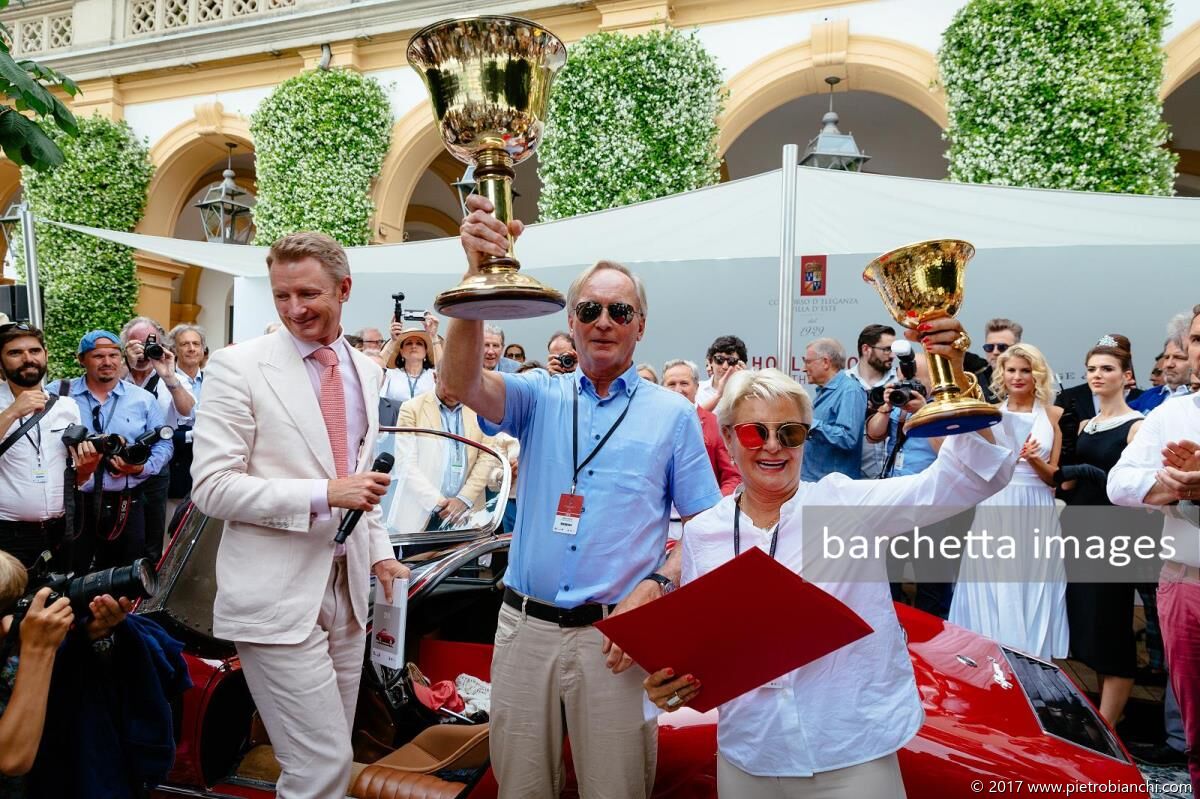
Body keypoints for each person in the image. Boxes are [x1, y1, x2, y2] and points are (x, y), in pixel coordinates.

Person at [644, 322, 1028, 798]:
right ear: (727, 436)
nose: (772, 445)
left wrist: (949, 376)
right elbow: (704, 646)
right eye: (753, 431)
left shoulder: (842, 505)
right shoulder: (703, 533)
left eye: (790, 431)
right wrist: (673, 684)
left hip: (849, 753)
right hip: (749, 753)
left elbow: (969, 480)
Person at [442, 194, 721, 799]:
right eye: (589, 308)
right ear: (570, 320)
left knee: (615, 791)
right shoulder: (539, 395)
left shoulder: (674, 416)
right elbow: (458, 381)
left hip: (618, 639)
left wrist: (659, 585)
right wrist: (474, 277)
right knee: (520, 790)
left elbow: (707, 528)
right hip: (524, 630)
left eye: (620, 312)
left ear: (640, 326)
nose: (603, 322)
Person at [190, 231, 408, 799]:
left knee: (329, 757)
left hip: (348, 589)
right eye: (281, 295)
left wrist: (381, 554)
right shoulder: (236, 367)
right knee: (321, 764)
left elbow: (363, 476)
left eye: (308, 294)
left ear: (345, 289)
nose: (294, 309)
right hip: (274, 595)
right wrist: (323, 493)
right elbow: (211, 488)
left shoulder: (366, 369)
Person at [1109, 303, 1200, 792]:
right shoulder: (1172, 413)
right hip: (1186, 587)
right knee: (1196, 732)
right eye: (1199, 339)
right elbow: (1119, 484)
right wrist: (1176, 485)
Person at [949, 343, 1069, 661]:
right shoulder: (992, 415)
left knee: (1032, 582)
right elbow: (980, 468)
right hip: (997, 506)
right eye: (1011, 370)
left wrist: (1032, 459)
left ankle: (1031, 659)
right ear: (1002, 373)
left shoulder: (1054, 415)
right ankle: (988, 658)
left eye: (1025, 370)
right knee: (992, 580)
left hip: (1037, 508)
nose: (1017, 376)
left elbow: (1056, 478)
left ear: (1037, 375)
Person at [1056, 338, 1146, 727]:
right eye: (1092, 368)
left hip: (1113, 535)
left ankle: (1109, 727)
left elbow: (1137, 489)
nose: (1097, 375)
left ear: (1126, 377)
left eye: (1107, 369)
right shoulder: (1087, 424)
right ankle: (1098, 717)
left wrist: (1092, 475)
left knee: (1111, 625)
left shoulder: (1137, 427)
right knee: (1087, 624)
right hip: (1078, 529)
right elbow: (1070, 483)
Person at [62, 331, 172, 573]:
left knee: (124, 576)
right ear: (81, 359)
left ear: (122, 358)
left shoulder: (142, 399)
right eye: (98, 356)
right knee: (74, 572)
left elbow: (164, 442)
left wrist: (141, 467)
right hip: (76, 501)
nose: (107, 362)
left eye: (113, 355)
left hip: (126, 500)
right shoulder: (59, 393)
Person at [0, 324, 100, 568]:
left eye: (34, 351)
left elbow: (76, 478)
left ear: (45, 355)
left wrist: (87, 468)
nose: (27, 359)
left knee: (58, 602)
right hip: (7, 535)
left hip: (61, 531)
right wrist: (12, 413)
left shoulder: (67, 406)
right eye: (15, 353)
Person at [119, 317, 195, 562]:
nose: (143, 350)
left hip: (156, 465)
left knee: (153, 537)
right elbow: (102, 393)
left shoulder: (171, 377)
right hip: (117, 467)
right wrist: (125, 364)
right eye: (136, 343)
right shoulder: (117, 373)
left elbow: (188, 412)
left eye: (149, 343)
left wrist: (169, 376)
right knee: (120, 535)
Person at [388, 371, 496, 533]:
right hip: (421, 515)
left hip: (469, 514)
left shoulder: (481, 409)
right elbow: (406, 464)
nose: (453, 391)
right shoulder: (412, 408)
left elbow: (487, 457)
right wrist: (440, 504)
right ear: (435, 376)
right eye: (449, 384)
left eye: (460, 385)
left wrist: (463, 500)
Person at [662, 359, 740, 495]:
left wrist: (716, 507)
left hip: (703, 513)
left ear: (697, 387)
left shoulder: (715, 424)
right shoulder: (653, 423)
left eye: (684, 383)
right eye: (671, 384)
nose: (678, 389)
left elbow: (732, 476)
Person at [801, 338, 866, 482]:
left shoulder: (850, 391)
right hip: (816, 484)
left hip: (833, 490)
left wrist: (811, 424)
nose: (803, 368)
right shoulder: (823, 391)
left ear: (825, 362)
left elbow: (848, 439)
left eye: (807, 362)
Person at [165, 324, 206, 525]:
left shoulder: (213, 380)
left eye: (196, 344)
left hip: (205, 462)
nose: (191, 348)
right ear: (174, 350)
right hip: (176, 464)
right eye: (185, 344)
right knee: (172, 529)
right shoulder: (162, 380)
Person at [851, 324, 898, 480]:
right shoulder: (844, 384)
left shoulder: (900, 382)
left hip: (894, 479)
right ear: (866, 349)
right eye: (886, 349)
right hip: (854, 480)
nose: (892, 355)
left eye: (893, 350)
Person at [380, 324, 436, 404]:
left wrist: (434, 336)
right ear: (401, 352)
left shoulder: (434, 375)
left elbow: (445, 373)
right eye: (409, 343)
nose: (413, 346)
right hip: (396, 416)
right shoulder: (390, 374)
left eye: (419, 344)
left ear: (425, 352)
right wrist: (393, 341)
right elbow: (375, 369)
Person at [696, 335, 747, 412]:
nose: (725, 366)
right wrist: (718, 396)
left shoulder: (747, 393)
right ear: (710, 362)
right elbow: (692, 419)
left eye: (731, 361)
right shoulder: (697, 390)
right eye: (719, 359)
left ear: (740, 364)